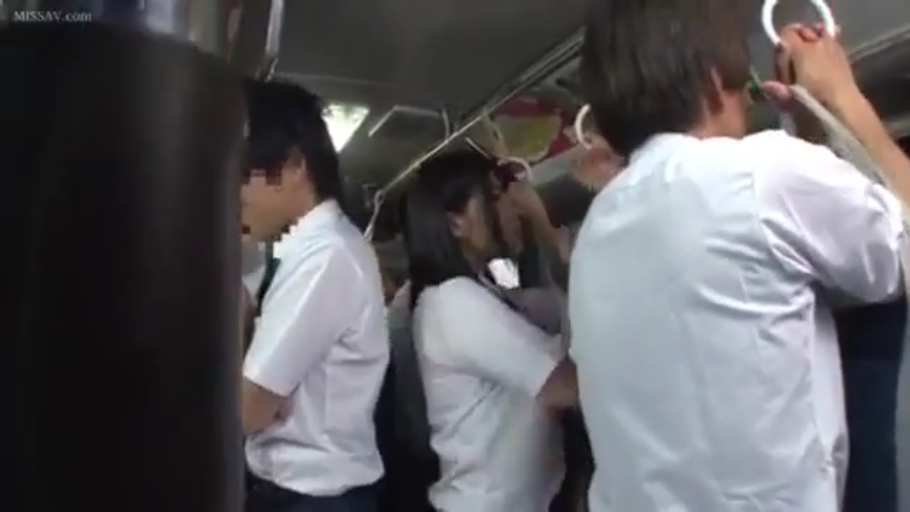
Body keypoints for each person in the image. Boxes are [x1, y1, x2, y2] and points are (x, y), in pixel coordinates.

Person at [569, 0, 910, 511]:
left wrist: (809, 129)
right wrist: (843, 97)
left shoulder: (596, 230)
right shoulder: (761, 173)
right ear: (713, 83)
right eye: (742, 91)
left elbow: (785, 249)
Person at [240, 78, 389, 512]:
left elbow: (249, 410)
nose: (235, 196)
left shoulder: (326, 256)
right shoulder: (297, 249)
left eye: (240, 176)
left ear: (291, 167)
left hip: (315, 498)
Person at [401, 150, 578, 512]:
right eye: (494, 197)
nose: (512, 208)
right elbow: (564, 387)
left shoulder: (483, 291)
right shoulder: (454, 302)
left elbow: (550, 308)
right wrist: (543, 222)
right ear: (456, 224)